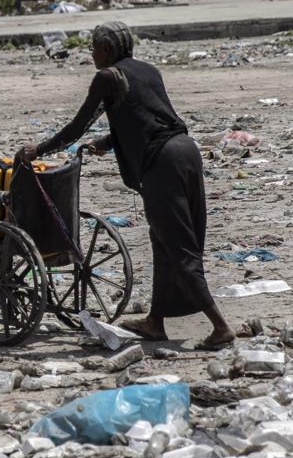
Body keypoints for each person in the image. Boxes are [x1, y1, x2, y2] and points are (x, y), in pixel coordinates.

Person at [16, 22, 234, 350]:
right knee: (163, 240)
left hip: (163, 162)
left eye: (93, 48)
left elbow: (77, 125)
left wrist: (38, 150)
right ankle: (155, 321)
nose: (91, 53)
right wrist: (107, 142)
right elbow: (148, 116)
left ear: (107, 50)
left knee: (178, 244)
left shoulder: (107, 77)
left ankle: (220, 327)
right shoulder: (148, 71)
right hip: (186, 151)